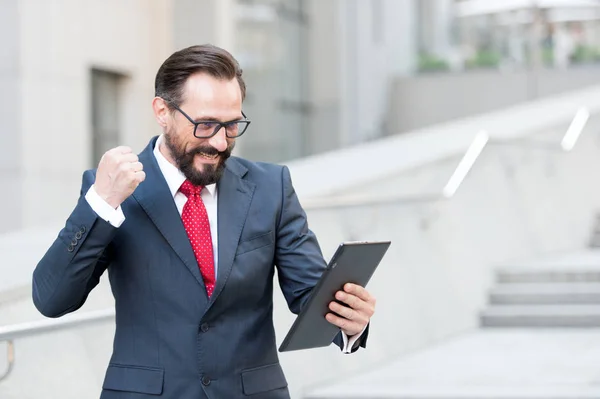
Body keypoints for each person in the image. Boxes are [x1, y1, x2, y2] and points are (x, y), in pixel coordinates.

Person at [32, 44, 376, 399]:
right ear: (162, 111)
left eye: (232, 125)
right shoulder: (113, 190)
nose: (219, 141)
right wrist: (100, 204)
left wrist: (351, 321)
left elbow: (309, 294)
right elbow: (52, 299)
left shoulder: (271, 187)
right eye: (205, 124)